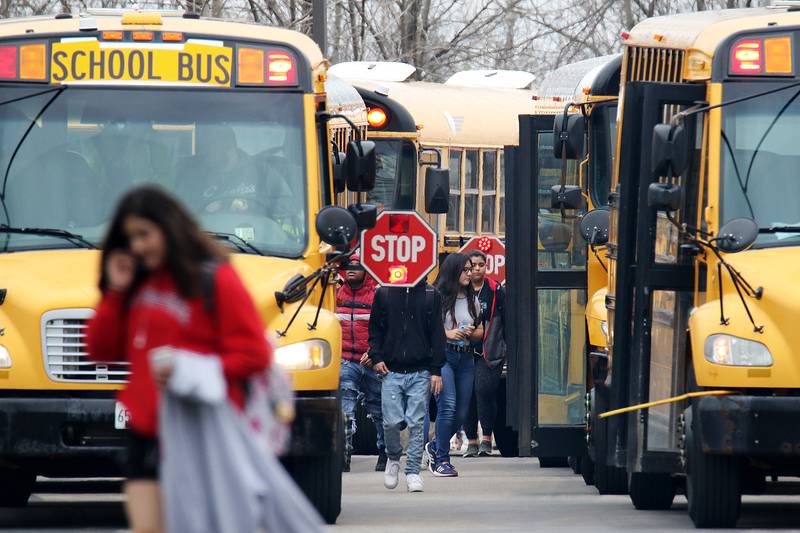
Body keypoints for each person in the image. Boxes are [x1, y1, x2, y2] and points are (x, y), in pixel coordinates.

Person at [86, 186, 271, 533]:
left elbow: (255, 353)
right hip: (145, 431)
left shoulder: (214, 279)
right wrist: (115, 291)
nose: (138, 246)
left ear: (169, 228)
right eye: (130, 237)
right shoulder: (137, 284)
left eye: (145, 234)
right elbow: (100, 350)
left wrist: (191, 370)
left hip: (200, 431)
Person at [368, 282, 445, 493]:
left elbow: (437, 332)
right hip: (390, 370)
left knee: (416, 422)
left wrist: (436, 369)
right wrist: (376, 356)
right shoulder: (383, 292)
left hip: (420, 370)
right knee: (391, 422)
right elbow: (375, 328)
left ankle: (412, 471)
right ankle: (393, 457)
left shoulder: (431, 293)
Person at [426, 254, 484, 477]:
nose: (470, 273)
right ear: (453, 271)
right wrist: (448, 333)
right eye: (465, 270)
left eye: (471, 269)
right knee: (447, 407)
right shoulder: (437, 297)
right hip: (444, 357)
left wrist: (472, 332)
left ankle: (435, 446)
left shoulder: (473, 299)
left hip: (466, 357)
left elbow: (481, 330)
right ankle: (441, 459)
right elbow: (428, 331)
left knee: (461, 413)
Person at [336, 253, 386, 472]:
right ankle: (344, 455)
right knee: (345, 411)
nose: (351, 269)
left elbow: (386, 329)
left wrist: (375, 353)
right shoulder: (334, 295)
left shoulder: (377, 295)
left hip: (371, 362)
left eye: (357, 265)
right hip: (346, 360)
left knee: (379, 410)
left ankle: (384, 452)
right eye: (348, 265)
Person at [463, 250, 506, 458]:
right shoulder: (461, 289)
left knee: (483, 390)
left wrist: (506, 347)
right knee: (467, 394)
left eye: (481, 265)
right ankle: (472, 440)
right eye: (473, 265)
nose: (477, 269)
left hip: (491, 350)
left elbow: (505, 320)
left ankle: (487, 437)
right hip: (463, 351)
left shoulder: (495, 289)